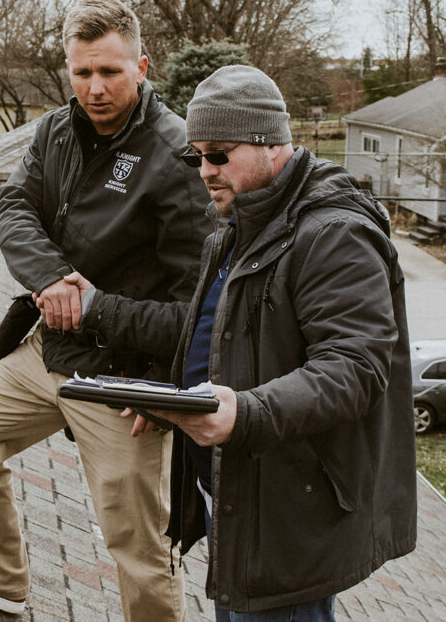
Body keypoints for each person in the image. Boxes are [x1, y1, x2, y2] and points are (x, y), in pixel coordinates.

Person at [0, 0, 210, 619]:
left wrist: (165, 389)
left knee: (139, 544)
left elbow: (197, 312)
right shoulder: (55, 130)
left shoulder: (178, 156)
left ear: (142, 66)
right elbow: (13, 207)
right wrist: (52, 278)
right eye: (82, 72)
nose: (95, 87)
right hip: (50, 350)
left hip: (126, 380)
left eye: (109, 71)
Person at [146, 65, 418, 620]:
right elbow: (226, 334)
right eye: (194, 155)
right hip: (241, 491)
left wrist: (245, 413)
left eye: (218, 154)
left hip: (290, 511)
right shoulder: (242, 222)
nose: (204, 171)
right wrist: (171, 397)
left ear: (272, 144)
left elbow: (355, 368)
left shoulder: (334, 233)